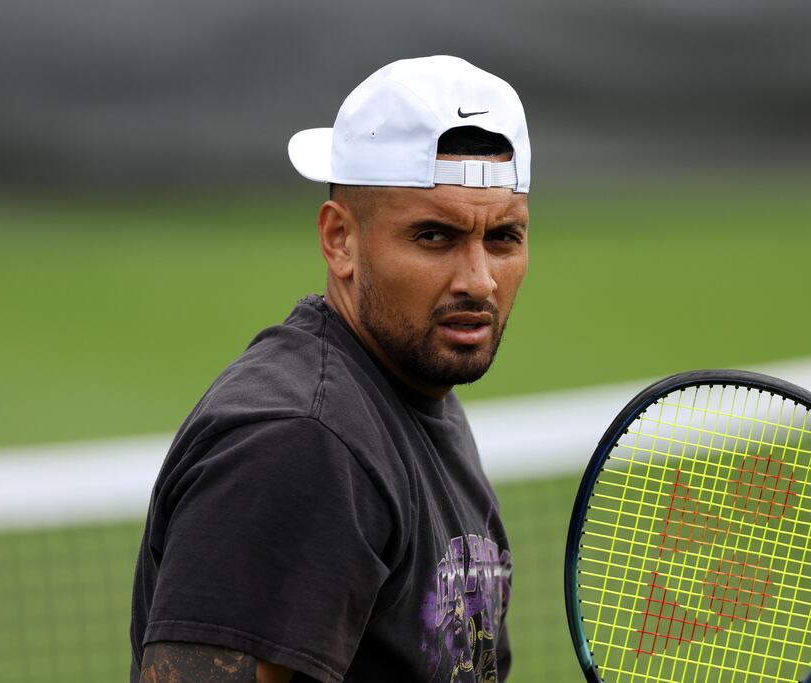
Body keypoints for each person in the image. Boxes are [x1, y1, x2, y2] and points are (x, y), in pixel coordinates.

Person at [130, 55, 531, 683]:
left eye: (503, 237)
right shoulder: (303, 442)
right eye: (434, 237)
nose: (479, 281)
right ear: (340, 240)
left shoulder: (417, 395)